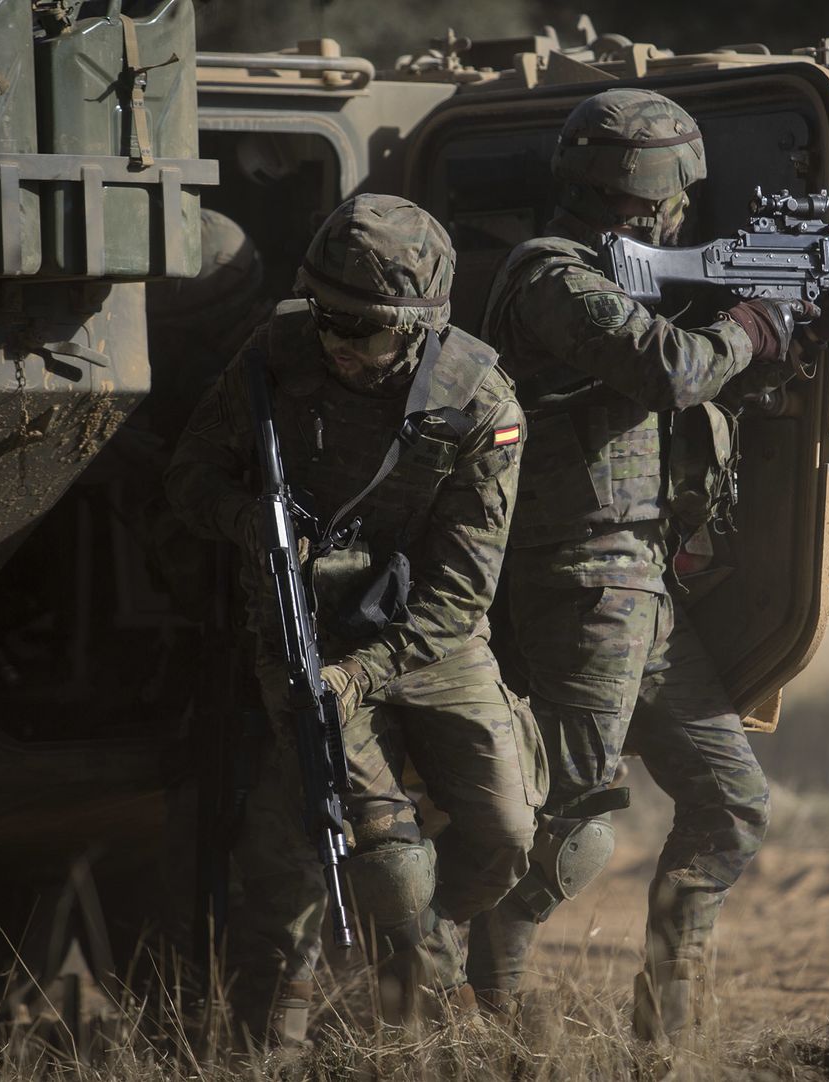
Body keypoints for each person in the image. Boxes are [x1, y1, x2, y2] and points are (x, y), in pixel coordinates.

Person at [472, 88, 829, 1042]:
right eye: (678, 196)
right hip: (583, 580)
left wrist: (822, 322)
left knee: (730, 806)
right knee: (569, 824)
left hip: (642, 582)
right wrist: (762, 317)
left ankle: (666, 1039)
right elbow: (670, 368)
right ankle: (474, 1011)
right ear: (652, 195)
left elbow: (707, 377)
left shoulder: (621, 281)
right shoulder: (553, 276)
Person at [166, 193, 541, 1044]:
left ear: (416, 328)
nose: (338, 343)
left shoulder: (480, 403)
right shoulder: (276, 355)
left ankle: (420, 941)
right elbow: (188, 479)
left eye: (362, 329)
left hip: (428, 632)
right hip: (309, 627)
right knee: (358, 849)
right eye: (327, 317)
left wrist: (362, 675)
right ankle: (304, 1035)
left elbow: (461, 593)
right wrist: (249, 522)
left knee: (510, 831)